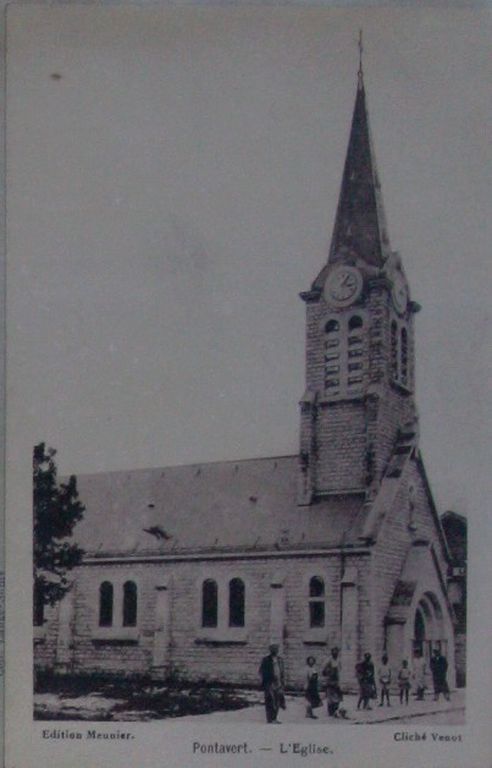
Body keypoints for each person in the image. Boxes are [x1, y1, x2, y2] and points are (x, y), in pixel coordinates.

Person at [259, 644, 286, 724]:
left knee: (277, 700)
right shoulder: (266, 659)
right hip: (269, 683)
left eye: (276, 649)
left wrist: (282, 681)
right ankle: (269, 718)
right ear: (270, 650)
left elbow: (282, 671)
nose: (275, 651)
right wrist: (269, 678)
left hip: (279, 683)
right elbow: (261, 671)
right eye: (273, 649)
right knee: (270, 700)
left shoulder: (280, 660)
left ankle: (275, 718)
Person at [322, 647, 346, 718]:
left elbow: (340, 670)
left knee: (338, 697)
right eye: (334, 651)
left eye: (336, 651)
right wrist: (329, 673)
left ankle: (336, 710)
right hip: (330, 680)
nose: (335, 653)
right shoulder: (328, 660)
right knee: (330, 697)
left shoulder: (339, 660)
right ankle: (330, 712)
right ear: (331, 652)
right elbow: (324, 671)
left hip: (337, 680)